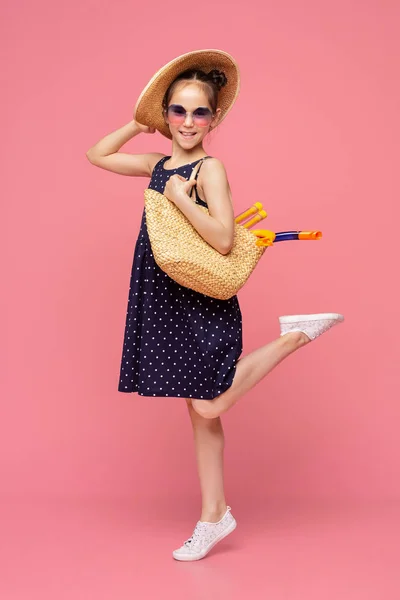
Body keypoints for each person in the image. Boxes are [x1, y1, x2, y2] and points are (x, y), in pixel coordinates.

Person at [86, 49, 344, 562]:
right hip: (164, 298)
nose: (186, 121)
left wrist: (184, 198)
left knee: (209, 402)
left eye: (198, 111)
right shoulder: (159, 165)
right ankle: (214, 515)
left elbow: (225, 239)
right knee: (201, 417)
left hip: (201, 298)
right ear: (166, 115)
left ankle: (296, 334)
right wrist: (137, 124)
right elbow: (98, 155)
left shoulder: (211, 169)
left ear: (215, 118)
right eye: (177, 111)